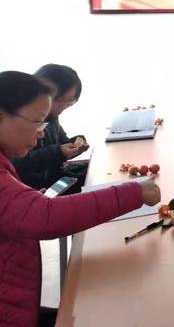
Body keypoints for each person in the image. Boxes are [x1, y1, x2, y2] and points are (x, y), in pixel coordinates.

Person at [0, 70, 161, 327]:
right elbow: (46, 217)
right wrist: (133, 193)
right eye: (38, 122)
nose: (41, 133)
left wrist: (26, 199)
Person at [12, 64, 89, 190]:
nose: (64, 105)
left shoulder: (52, 117)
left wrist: (75, 145)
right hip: (34, 187)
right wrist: (58, 152)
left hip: (55, 180)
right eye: (60, 99)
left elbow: (62, 142)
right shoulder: (21, 120)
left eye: (70, 101)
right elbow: (17, 163)